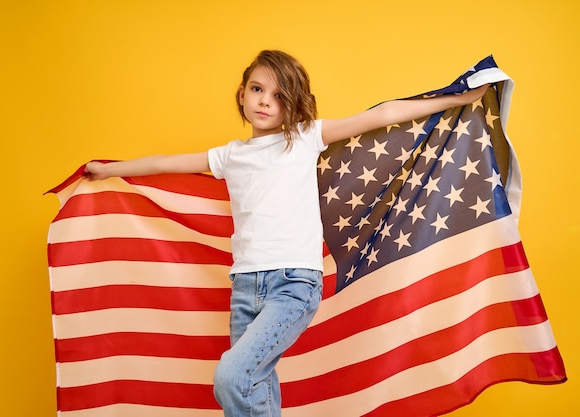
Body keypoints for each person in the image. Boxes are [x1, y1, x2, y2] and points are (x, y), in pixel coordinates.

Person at [84, 50, 488, 417]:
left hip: (294, 284)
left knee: (232, 377)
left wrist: (455, 99)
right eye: (258, 89)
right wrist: (109, 171)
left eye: (277, 95)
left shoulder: (305, 137)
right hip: (245, 287)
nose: (264, 101)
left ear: (291, 103)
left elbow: (380, 116)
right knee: (256, 386)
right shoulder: (230, 155)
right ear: (242, 93)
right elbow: (166, 162)